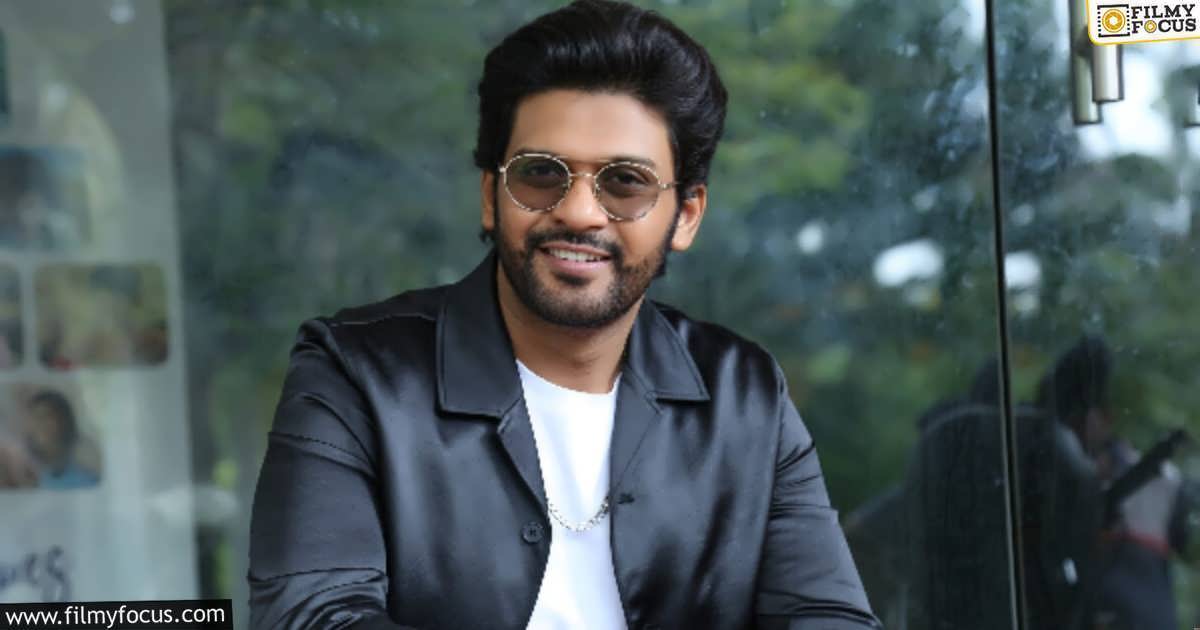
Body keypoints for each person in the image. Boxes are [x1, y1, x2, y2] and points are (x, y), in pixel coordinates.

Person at [248, 2, 878, 628]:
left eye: (625, 182)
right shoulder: (357, 374)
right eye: (541, 174)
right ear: (491, 195)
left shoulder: (745, 396)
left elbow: (829, 617)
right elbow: (313, 616)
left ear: (686, 215)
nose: (579, 212)